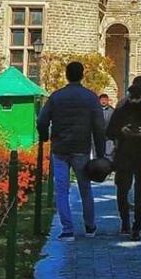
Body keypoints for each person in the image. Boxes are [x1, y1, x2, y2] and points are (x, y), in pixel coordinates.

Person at [36, 61, 106, 241]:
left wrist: (44, 136)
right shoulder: (90, 97)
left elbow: (42, 120)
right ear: (82, 75)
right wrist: (100, 153)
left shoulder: (56, 97)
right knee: (85, 188)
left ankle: (67, 229)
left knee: (62, 190)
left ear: (66, 75)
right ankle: (90, 226)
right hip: (81, 149)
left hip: (60, 148)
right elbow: (99, 127)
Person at [107, 82, 141, 240]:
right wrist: (125, 131)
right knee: (133, 191)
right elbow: (110, 131)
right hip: (133, 154)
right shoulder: (128, 112)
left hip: (133, 154)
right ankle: (132, 224)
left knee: (128, 190)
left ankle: (131, 224)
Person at [98, 93, 116, 162]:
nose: (103, 101)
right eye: (102, 100)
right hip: (98, 136)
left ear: (108, 100)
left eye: (105, 100)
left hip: (109, 136)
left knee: (109, 154)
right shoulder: (96, 111)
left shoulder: (112, 111)